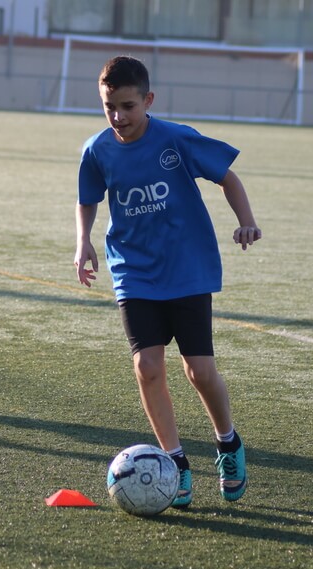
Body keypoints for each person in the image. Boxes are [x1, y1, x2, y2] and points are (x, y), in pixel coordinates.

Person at [73, 55, 261, 508]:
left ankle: (228, 443)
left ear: (148, 101)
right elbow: (87, 199)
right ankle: (174, 464)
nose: (118, 116)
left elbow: (227, 178)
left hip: (188, 268)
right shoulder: (97, 150)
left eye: (127, 106)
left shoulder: (176, 139)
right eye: (109, 107)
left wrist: (247, 221)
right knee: (147, 367)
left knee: (199, 371)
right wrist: (83, 243)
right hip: (133, 271)